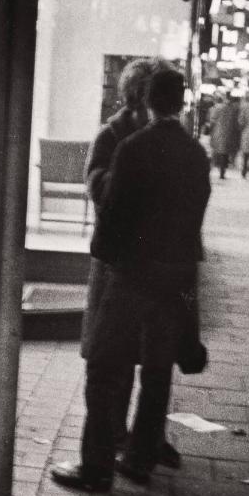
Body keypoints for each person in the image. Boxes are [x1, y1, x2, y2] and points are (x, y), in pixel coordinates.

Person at [51, 69, 211, 492]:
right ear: (182, 101)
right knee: (157, 370)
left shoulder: (133, 148)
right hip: (173, 275)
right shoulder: (196, 153)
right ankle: (140, 459)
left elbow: (115, 213)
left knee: (104, 367)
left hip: (131, 274)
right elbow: (195, 219)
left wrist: (106, 256)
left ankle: (97, 466)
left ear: (147, 99)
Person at [83, 57, 181, 469]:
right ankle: (114, 433)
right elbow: (98, 186)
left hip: (156, 263)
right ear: (136, 96)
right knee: (115, 355)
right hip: (120, 263)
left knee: (156, 356)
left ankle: (148, 439)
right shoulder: (114, 135)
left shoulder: (166, 137)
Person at [208, 93, 242, 179]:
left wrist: (211, 130)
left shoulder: (218, 108)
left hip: (218, 132)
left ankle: (215, 168)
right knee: (224, 153)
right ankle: (222, 172)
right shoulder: (233, 110)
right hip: (229, 133)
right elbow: (236, 123)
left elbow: (212, 120)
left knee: (217, 151)